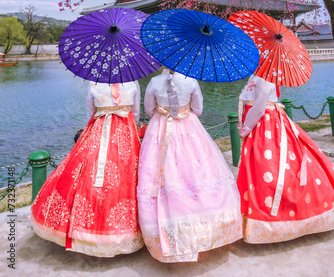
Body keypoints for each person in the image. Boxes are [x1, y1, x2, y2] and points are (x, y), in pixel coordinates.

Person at [137, 69, 242, 263]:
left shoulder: (154, 81)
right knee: (198, 169)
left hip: (160, 127)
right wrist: (182, 110)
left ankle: (164, 231)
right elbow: (199, 109)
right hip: (188, 125)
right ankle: (205, 225)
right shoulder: (191, 81)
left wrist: (164, 111)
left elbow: (149, 110)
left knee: (158, 171)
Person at [31, 81, 144, 257]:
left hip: (98, 132)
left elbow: (91, 112)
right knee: (126, 179)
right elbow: (135, 113)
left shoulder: (94, 84)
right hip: (124, 133)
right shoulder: (132, 82)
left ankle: (85, 230)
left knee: (85, 175)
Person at [237, 74, 334, 243]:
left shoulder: (262, 78)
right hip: (270, 121)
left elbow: (259, 108)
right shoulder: (266, 75)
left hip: (264, 124)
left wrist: (245, 128)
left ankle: (275, 219)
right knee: (275, 165)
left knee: (269, 168)